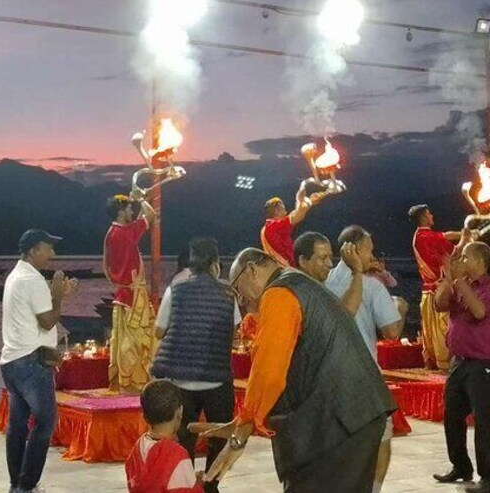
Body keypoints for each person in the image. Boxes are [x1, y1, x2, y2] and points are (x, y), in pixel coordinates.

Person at [193, 248, 395, 493]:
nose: (241, 301)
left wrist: (241, 433)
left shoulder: (279, 293)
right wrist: (242, 421)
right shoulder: (297, 284)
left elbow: (269, 371)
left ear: (252, 270)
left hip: (342, 422)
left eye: (238, 289)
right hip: (350, 417)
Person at [153, 237, 238, 493]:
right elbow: (233, 331)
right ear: (215, 264)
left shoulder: (175, 289)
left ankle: (185, 485)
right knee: (220, 437)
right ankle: (211, 485)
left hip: (180, 380)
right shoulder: (227, 293)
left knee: (183, 439)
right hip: (217, 378)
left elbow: (159, 331)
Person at [324, 226, 405, 493]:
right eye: (369, 249)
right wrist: (401, 309)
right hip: (365, 378)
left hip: (329, 377)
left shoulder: (322, 282)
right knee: (381, 439)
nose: (372, 255)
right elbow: (391, 331)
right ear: (355, 249)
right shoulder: (371, 286)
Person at [0, 229, 77, 493]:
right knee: (45, 423)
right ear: (33, 251)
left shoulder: (16, 275)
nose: (52, 254)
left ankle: (16, 484)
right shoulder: (32, 280)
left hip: (11, 361)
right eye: (48, 248)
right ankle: (27, 485)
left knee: (18, 425)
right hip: (31, 363)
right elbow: (47, 321)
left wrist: (57, 294)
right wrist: (57, 295)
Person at [432, 242, 490, 492]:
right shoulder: (459, 284)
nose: (461, 261)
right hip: (459, 363)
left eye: (466, 257)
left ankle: (487, 477)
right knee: (452, 416)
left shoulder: (487, 287)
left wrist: (460, 282)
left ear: (480, 261)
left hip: (482, 364)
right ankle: (461, 466)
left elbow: (479, 312)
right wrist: (448, 279)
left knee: (484, 421)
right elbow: (439, 304)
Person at [103, 192, 158, 392]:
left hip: (122, 295)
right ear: (120, 212)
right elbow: (151, 216)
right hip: (133, 297)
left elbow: (107, 267)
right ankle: (135, 385)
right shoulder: (127, 232)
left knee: (122, 342)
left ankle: (124, 383)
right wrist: (141, 199)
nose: (132, 212)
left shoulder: (111, 232)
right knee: (136, 343)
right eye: (128, 209)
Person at [125, 380, 205, 493]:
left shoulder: (138, 447)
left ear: (144, 416)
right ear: (180, 412)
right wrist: (198, 484)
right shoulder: (177, 455)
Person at [410, 204, 463, 370]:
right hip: (438, 291)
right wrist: (466, 239)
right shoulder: (427, 237)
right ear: (424, 217)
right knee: (442, 330)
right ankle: (446, 365)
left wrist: (463, 233)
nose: (432, 216)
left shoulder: (421, 235)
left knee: (430, 331)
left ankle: (434, 363)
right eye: (429, 214)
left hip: (429, 292)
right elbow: (455, 252)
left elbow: (446, 235)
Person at [259, 182, 311, 268]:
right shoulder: (274, 227)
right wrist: (300, 199)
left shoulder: (269, 228)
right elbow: (298, 215)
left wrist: (310, 200)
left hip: (282, 269)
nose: (286, 212)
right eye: (283, 209)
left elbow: (297, 213)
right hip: (287, 270)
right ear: (277, 212)